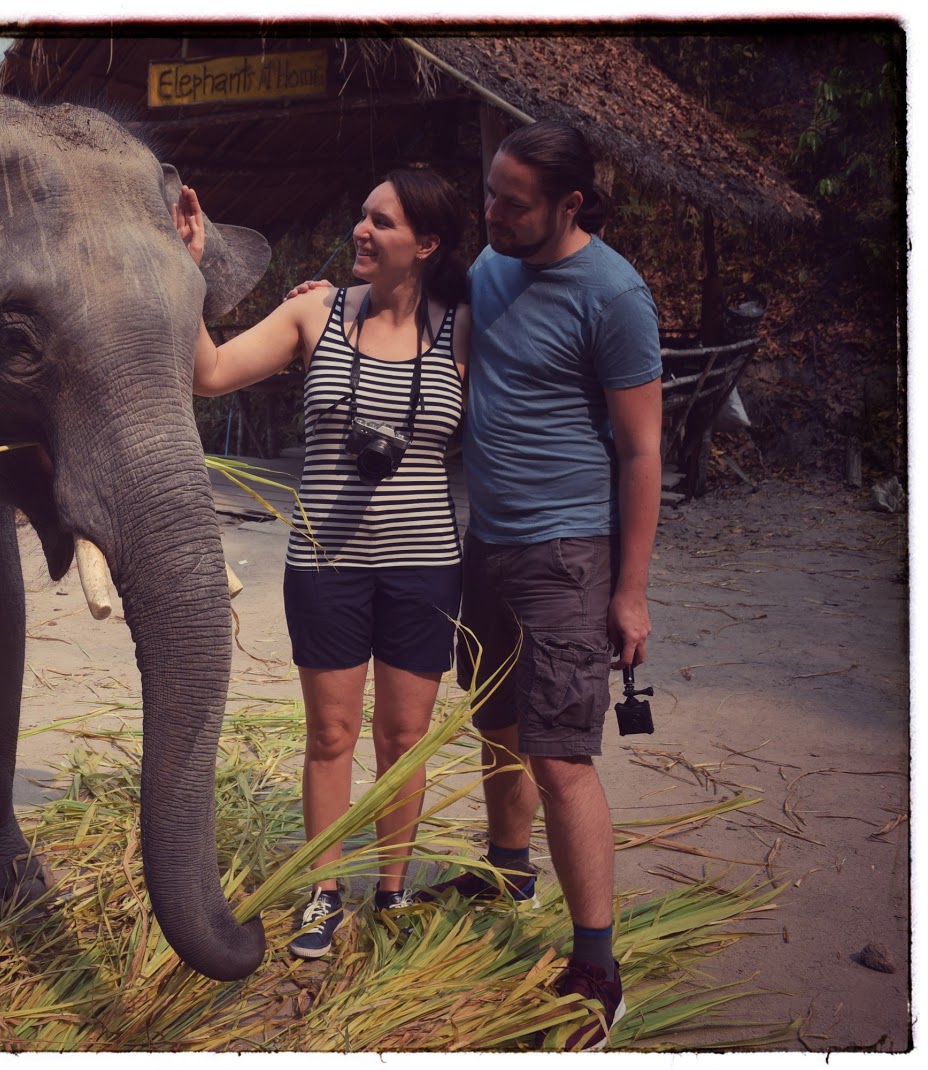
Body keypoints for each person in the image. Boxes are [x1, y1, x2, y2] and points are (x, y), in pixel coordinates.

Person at [173, 167, 472, 959]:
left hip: (425, 565)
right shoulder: (316, 310)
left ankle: (393, 889)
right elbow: (209, 374)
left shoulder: (466, 326)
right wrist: (193, 269)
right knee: (331, 734)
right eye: (362, 215)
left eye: (382, 222)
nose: (361, 231)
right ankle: (325, 892)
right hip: (326, 563)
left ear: (428, 244)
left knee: (404, 737)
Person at [423, 120, 660, 1050]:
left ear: (570, 204)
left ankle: (598, 966)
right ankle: (507, 871)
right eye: (490, 192)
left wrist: (630, 591)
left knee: (561, 756)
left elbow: (640, 452)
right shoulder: (492, 265)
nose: (492, 213)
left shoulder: (615, 294)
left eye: (512, 203)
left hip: (567, 554)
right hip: (488, 542)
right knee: (498, 722)